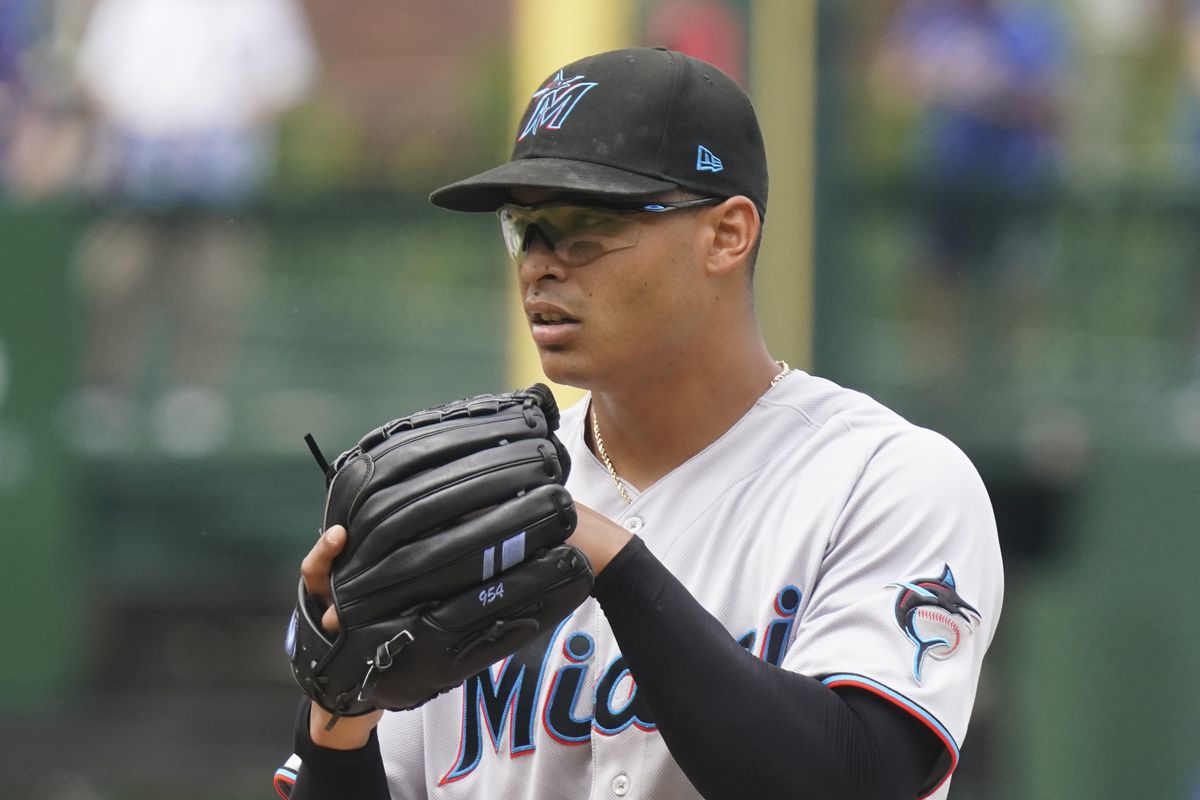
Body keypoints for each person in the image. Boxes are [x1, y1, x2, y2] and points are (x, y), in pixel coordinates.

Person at [277, 47, 1003, 800]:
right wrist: (338, 722)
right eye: (526, 228)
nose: (541, 264)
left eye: (582, 225)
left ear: (727, 235)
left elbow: (856, 777)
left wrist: (612, 562)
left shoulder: (885, 481)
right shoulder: (472, 502)